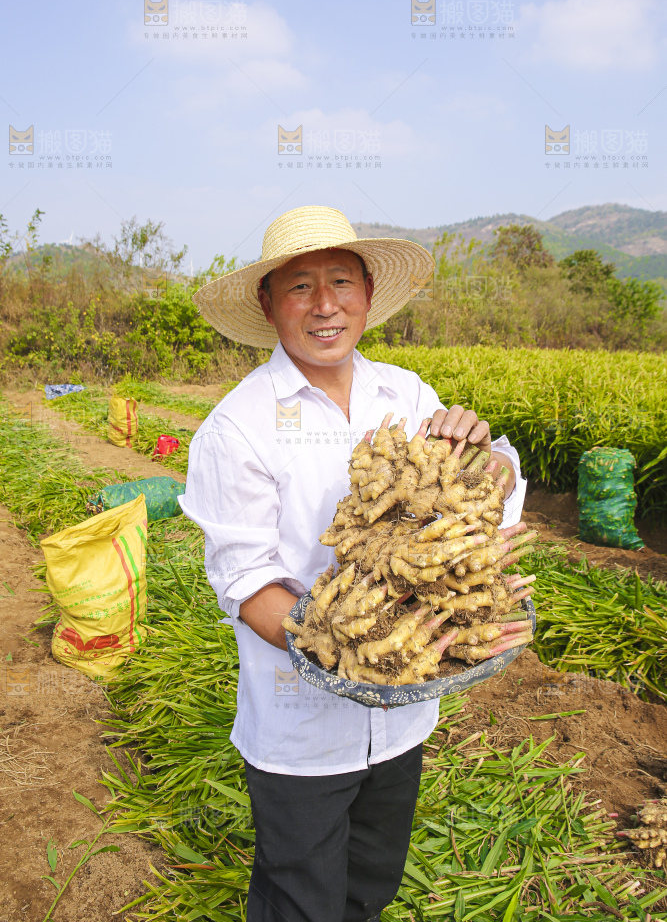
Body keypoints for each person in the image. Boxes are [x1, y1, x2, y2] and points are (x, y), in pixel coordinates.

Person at [180, 205, 527, 922]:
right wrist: (352, 649)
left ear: (367, 294)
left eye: (341, 281)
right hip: (300, 730)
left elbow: (481, 507)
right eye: (299, 286)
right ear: (267, 304)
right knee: (300, 902)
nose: (325, 304)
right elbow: (245, 583)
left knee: (371, 886)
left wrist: (486, 462)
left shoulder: (407, 394)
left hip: (405, 720)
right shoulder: (237, 427)